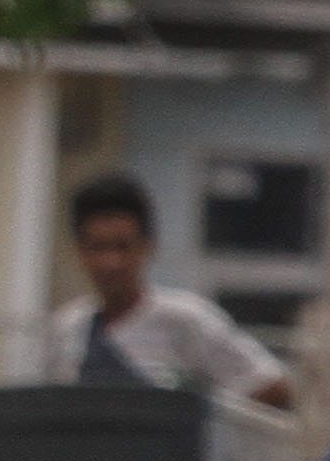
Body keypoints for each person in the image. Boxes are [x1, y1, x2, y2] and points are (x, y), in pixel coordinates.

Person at [51, 169, 292, 408]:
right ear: (79, 250)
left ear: (149, 246)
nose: (112, 262)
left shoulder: (186, 319)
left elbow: (273, 386)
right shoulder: (70, 327)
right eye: (98, 247)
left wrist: (200, 423)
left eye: (123, 246)